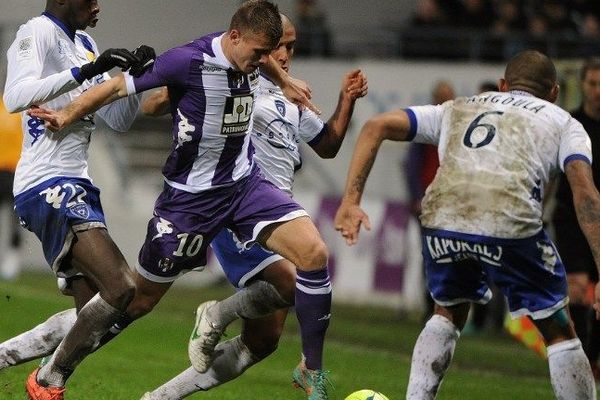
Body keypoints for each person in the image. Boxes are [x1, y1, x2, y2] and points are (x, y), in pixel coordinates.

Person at [28, 1, 335, 399]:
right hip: (190, 203)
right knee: (135, 302)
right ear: (235, 37)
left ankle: (312, 369)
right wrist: (67, 114)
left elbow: (265, 57)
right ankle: (52, 372)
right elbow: (117, 87)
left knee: (313, 255)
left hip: (245, 187)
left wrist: (285, 81)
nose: (266, 62)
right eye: (260, 53)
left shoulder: (254, 58)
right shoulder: (187, 61)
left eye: (269, 55)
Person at [334, 50, 598, 399]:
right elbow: (586, 196)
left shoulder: (456, 107)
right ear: (554, 92)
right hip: (509, 221)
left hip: (443, 217)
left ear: (504, 85)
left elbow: (375, 126)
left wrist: (351, 202)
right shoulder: (564, 122)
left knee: (448, 312)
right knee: (559, 331)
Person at [137, 14, 366, 400]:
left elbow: (327, 145)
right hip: (235, 208)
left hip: (275, 211)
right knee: (296, 281)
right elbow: (154, 104)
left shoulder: (288, 97)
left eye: (291, 46)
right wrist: (175, 91)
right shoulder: (235, 79)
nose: (286, 54)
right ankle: (219, 315)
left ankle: (159, 397)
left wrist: (346, 101)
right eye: (279, 45)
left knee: (263, 340)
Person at [1, 1, 154, 399]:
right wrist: (86, 71)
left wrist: (135, 79)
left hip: (77, 184)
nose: (97, 6)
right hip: (45, 182)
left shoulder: (85, 42)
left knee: (93, 315)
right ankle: (48, 382)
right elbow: (15, 96)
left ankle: (5, 357)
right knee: (121, 287)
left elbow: (117, 120)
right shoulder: (36, 32)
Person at [552, 57, 600, 376]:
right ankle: (582, 365)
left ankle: (593, 360)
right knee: (580, 292)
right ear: (582, 85)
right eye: (593, 84)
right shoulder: (570, 125)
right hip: (571, 218)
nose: (598, 91)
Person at [404, 80, 454, 324]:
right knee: (430, 256)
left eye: (449, 97)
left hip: (451, 202)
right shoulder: (425, 128)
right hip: (427, 202)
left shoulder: (458, 127)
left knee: (449, 256)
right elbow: (412, 166)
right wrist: (416, 197)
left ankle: (445, 306)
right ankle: (431, 305)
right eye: (442, 97)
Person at [0, 97, 23, 281]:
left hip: (17, 170)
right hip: (0, 168)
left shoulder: (23, 107)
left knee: (16, 218)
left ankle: (13, 257)